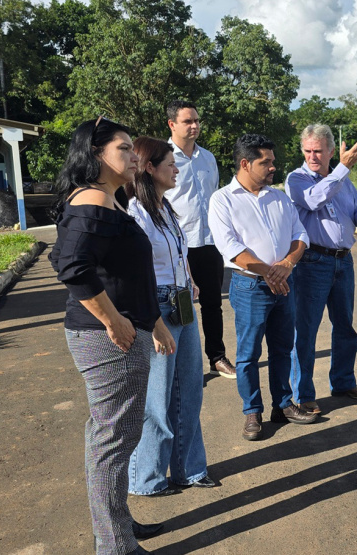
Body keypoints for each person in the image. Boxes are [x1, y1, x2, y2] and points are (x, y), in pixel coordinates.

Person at [49, 117, 175, 555]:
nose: (132, 156)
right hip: (107, 339)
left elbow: (122, 272)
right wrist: (112, 319)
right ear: (95, 154)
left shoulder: (109, 200)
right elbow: (70, 266)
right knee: (111, 442)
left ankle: (117, 524)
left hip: (124, 331)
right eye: (123, 148)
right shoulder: (91, 200)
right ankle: (114, 545)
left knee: (118, 438)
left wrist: (152, 321)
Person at [207, 134, 319, 441]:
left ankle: (282, 404)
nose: (273, 167)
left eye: (272, 161)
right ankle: (252, 411)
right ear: (245, 163)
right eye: (265, 162)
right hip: (249, 286)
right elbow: (228, 246)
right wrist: (269, 272)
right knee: (248, 353)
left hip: (284, 283)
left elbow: (300, 234)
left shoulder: (279, 197)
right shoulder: (222, 200)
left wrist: (287, 265)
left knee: (284, 347)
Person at [124, 137, 217, 497]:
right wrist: (154, 321)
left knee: (190, 390)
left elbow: (180, 254)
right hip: (156, 307)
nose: (176, 169)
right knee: (157, 399)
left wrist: (190, 282)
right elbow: (137, 273)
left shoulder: (165, 209)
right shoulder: (136, 213)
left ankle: (189, 470)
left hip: (180, 302)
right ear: (150, 168)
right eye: (170, 164)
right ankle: (146, 478)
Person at [285, 123, 357, 415]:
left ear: (329, 151)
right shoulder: (297, 178)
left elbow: (354, 216)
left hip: (343, 259)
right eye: (308, 150)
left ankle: (342, 382)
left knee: (345, 326)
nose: (313, 156)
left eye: (318, 151)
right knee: (306, 331)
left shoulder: (344, 182)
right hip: (312, 261)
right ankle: (303, 395)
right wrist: (342, 168)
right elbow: (314, 200)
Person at [163, 100, 235, 379]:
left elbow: (215, 198)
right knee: (179, 305)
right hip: (178, 245)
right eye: (187, 121)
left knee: (213, 303)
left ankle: (216, 357)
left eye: (196, 120)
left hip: (209, 242)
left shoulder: (208, 158)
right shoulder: (163, 158)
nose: (194, 126)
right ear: (172, 124)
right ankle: (183, 367)